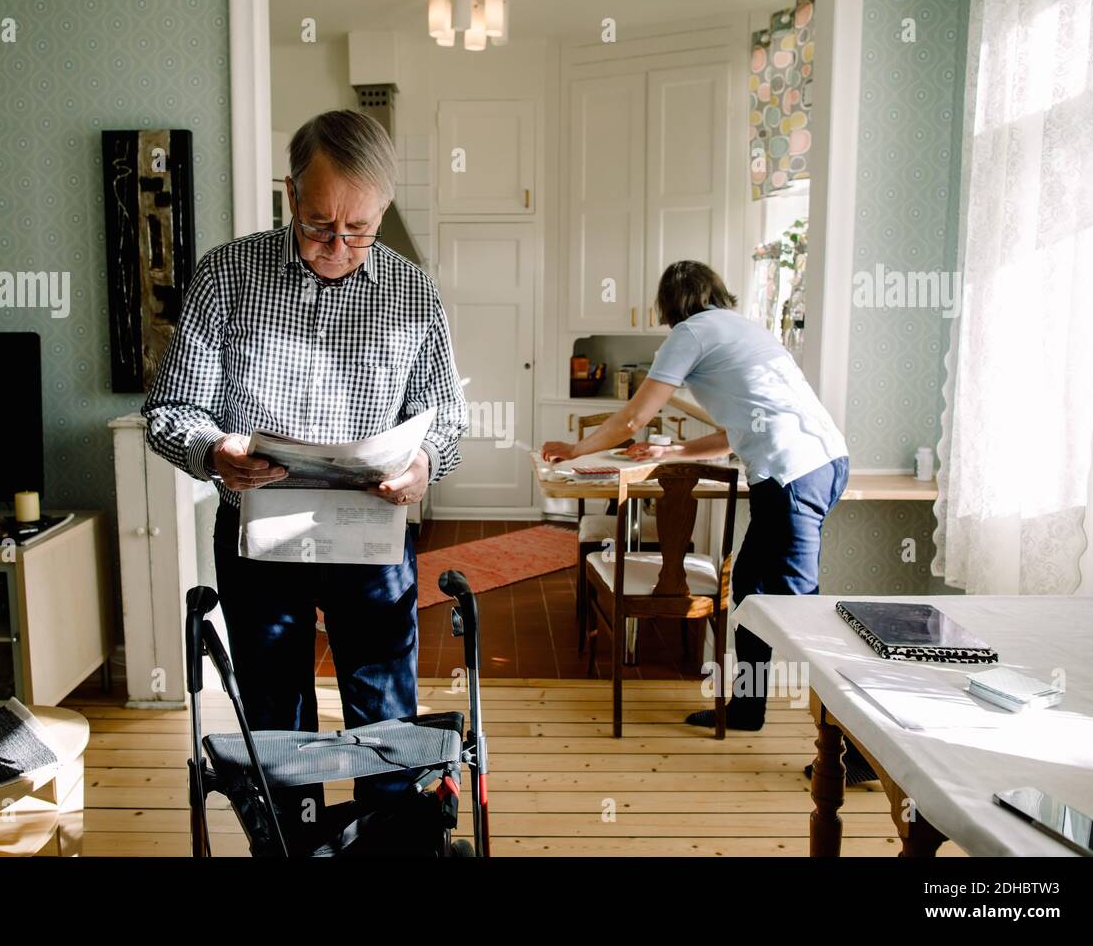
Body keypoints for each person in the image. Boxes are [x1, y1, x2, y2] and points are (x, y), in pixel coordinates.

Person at [142, 110, 469, 845]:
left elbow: (447, 417)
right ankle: (292, 846)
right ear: (291, 194)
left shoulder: (414, 294)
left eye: (360, 229)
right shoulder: (226, 273)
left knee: (384, 708)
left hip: (372, 533)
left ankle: (393, 846)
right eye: (321, 223)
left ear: (384, 208)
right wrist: (213, 450)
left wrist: (424, 464)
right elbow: (169, 408)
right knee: (274, 713)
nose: (338, 246)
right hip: (260, 533)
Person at [542, 261, 860, 757]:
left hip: (793, 478)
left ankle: (856, 748)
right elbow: (740, 428)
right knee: (752, 592)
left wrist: (576, 450)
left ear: (667, 304)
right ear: (715, 292)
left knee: (803, 616)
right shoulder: (742, 330)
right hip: (819, 465)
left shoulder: (690, 333)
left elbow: (634, 417)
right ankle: (747, 709)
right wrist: (672, 453)